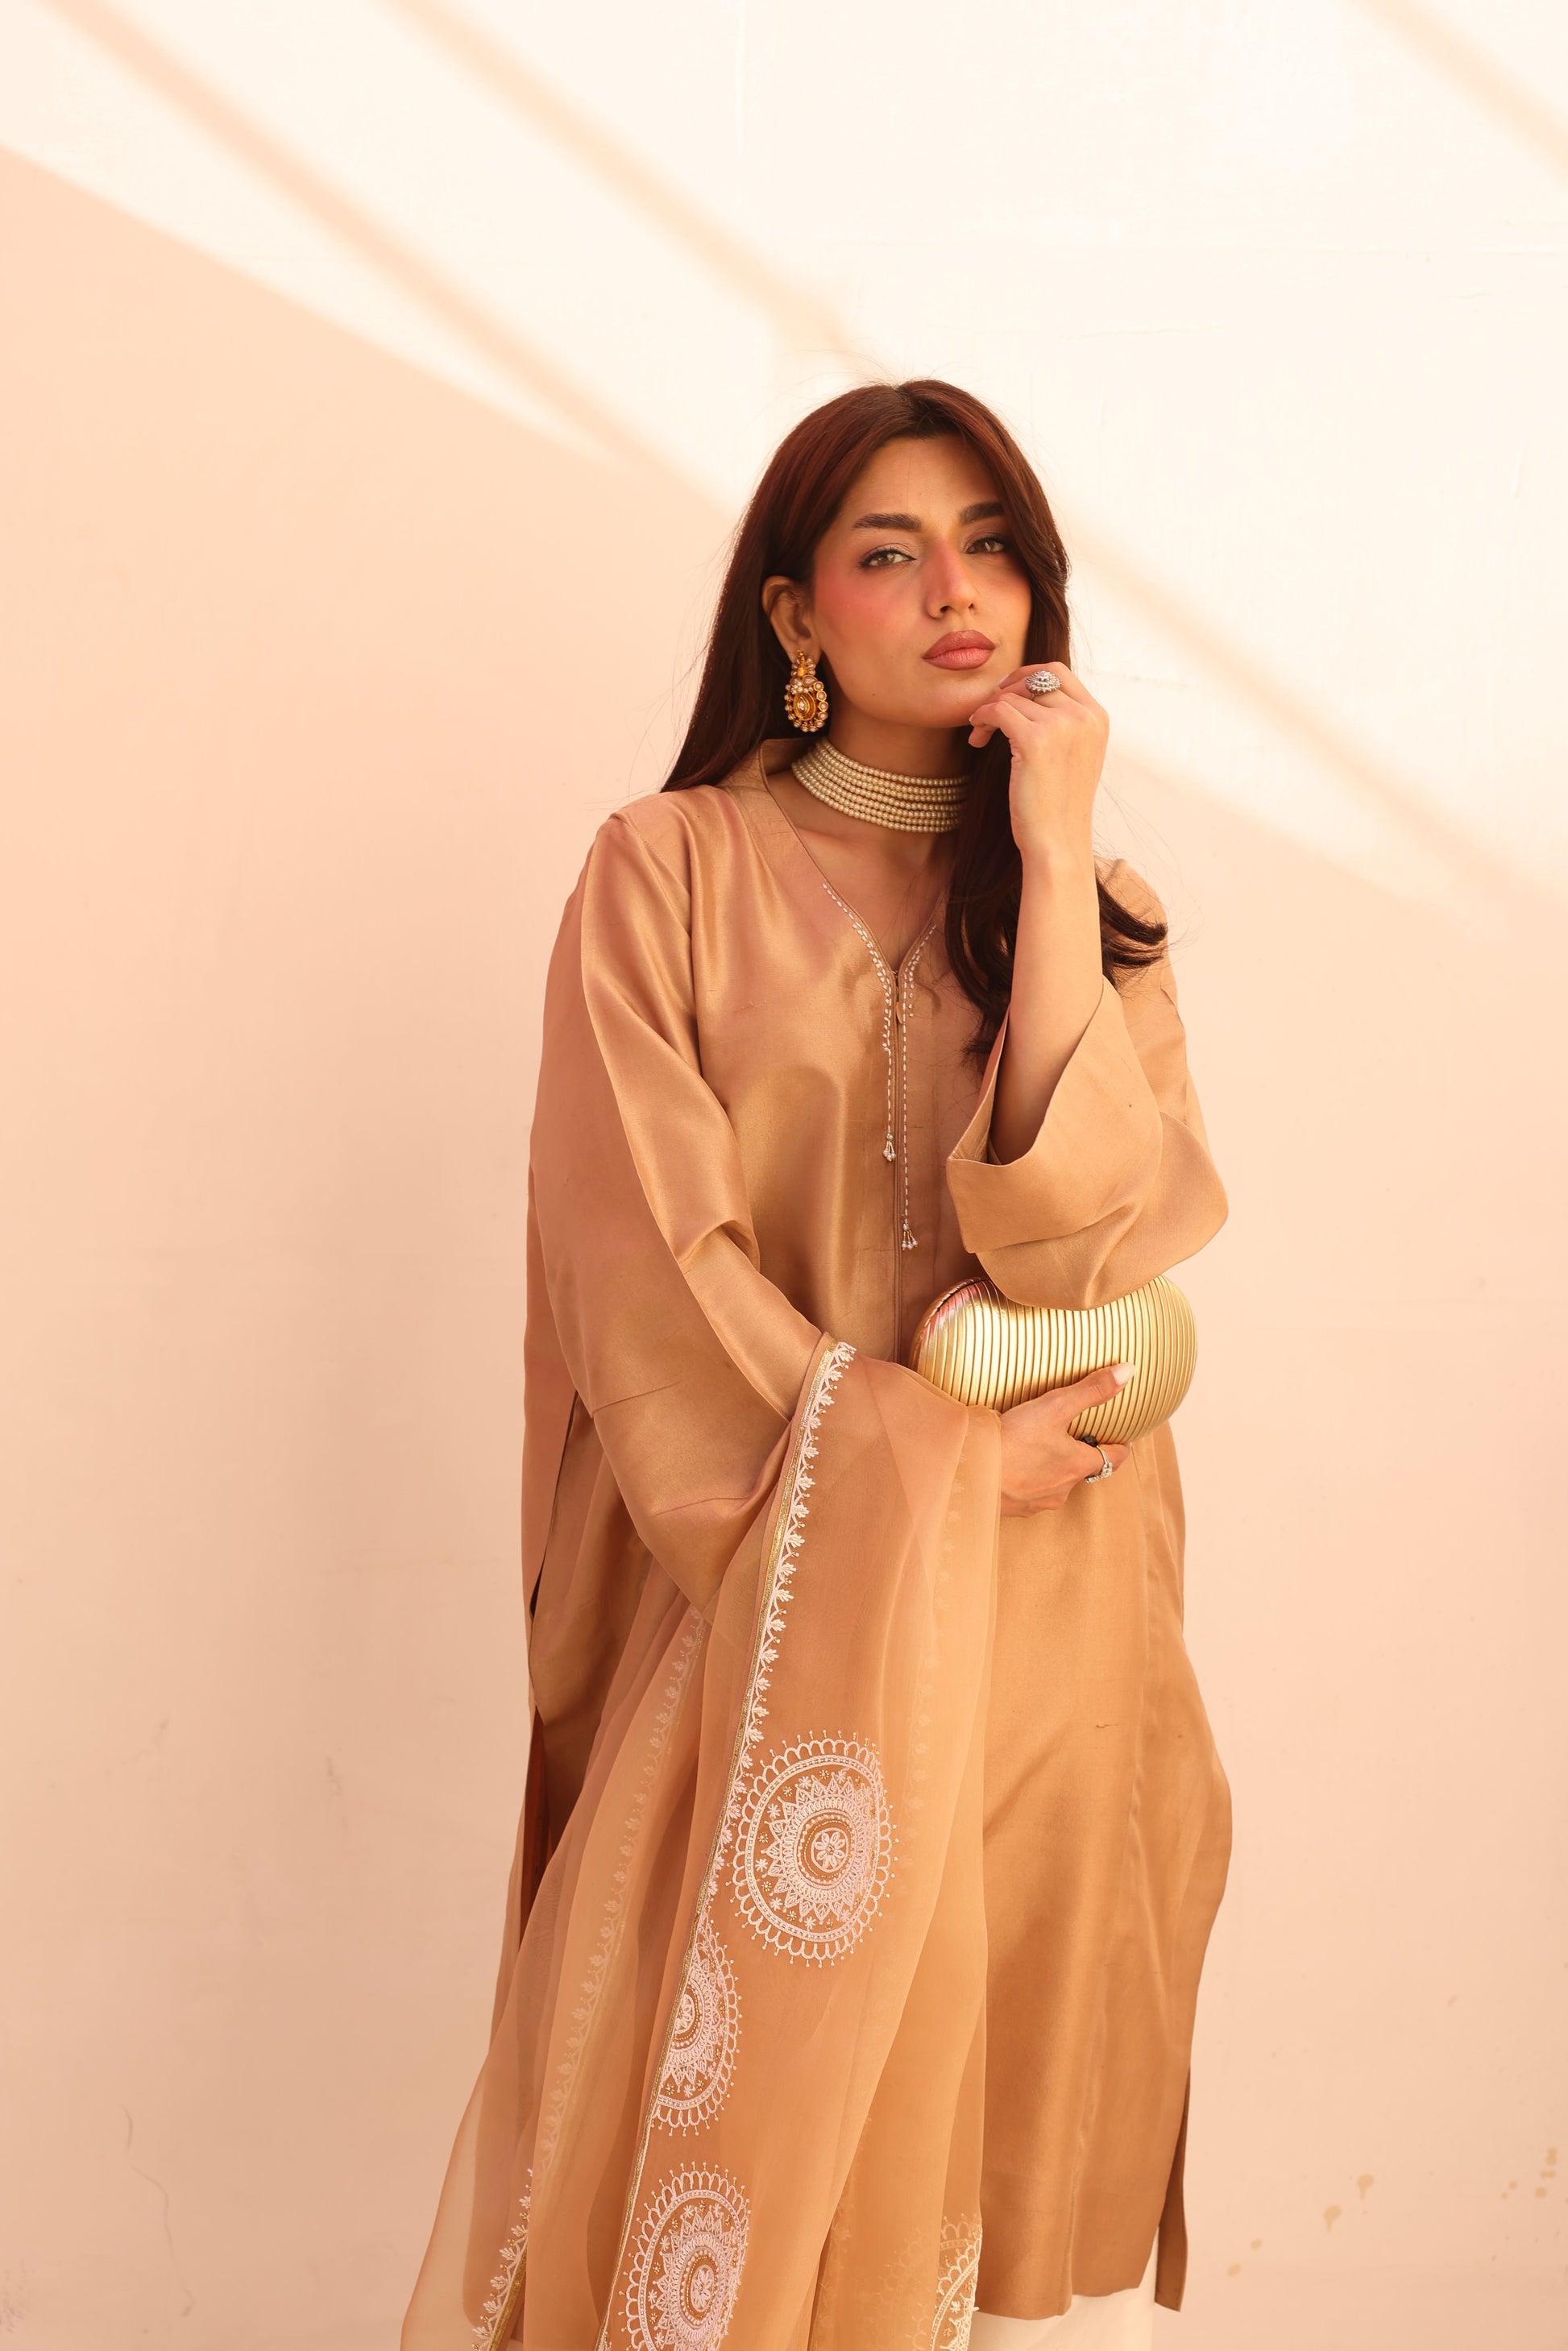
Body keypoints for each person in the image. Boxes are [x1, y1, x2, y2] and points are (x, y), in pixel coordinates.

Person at [401, 380, 1230, 2351]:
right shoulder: (666, 872)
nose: (957, 593)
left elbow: (1082, 1254)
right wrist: (924, 1466)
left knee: (972, 2158)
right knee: (723, 2132)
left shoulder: (1094, 907)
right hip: (765, 1584)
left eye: (992, 546)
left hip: (1043, 1601)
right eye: (889, 551)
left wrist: (1050, 853)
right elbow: (645, 1262)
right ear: (793, 614)